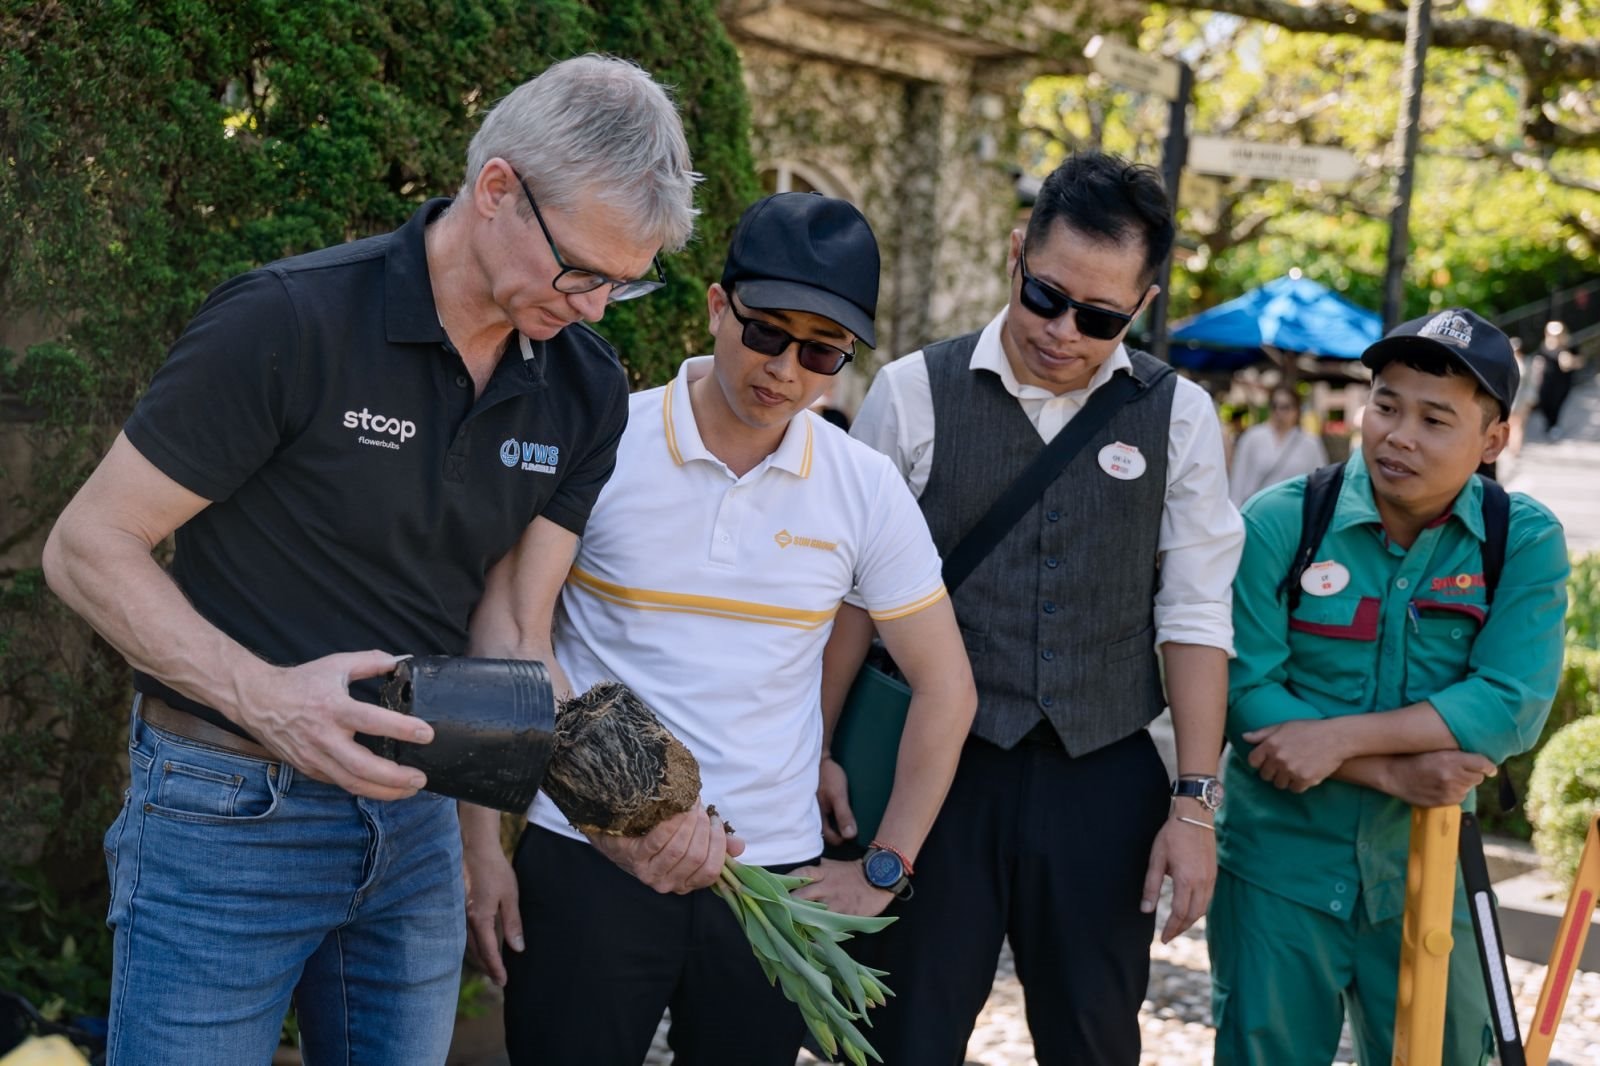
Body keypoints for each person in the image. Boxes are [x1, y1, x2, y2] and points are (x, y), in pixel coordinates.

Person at [40, 55, 703, 1064]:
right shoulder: (290, 319)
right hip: (226, 803)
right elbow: (88, 545)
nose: (597, 306)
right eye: (581, 271)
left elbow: (514, 631)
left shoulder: (585, 388)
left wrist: (629, 811)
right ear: (495, 192)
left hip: (418, 825)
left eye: (625, 279)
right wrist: (266, 697)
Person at [461, 192, 978, 1065]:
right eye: (767, 332)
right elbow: (510, 634)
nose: (786, 368)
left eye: (822, 351)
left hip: (768, 877)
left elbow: (947, 687)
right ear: (715, 305)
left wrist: (886, 865)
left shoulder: (864, 485)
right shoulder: (605, 439)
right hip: (588, 853)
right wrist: (481, 848)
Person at [828, 150, 1244, 1064]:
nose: (1064, 331)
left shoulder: (1177, 417)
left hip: (1102, 773)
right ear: (1017, 253)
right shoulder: (911, 393)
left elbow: (1196, 616)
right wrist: (815, 754)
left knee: (1094, 1039)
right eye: (1046, 296)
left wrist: (1194, 807)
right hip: (934, 773)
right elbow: (849, 602)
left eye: (1100, 317)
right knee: (900, 1033)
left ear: (1144, 304)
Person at [1210, 308, 1569, 1065]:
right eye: (1386, 405)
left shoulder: (1521, 539)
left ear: (1494, 438)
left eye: (1436, 419)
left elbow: (1510, 701)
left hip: (1431, 866)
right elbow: (1243, 690)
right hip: (1281, 864)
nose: (1398, 435)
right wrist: (1400, 772)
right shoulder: (1283, 522)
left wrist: (1337, 738)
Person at [1228, 385, 1329, 506]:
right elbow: (1238, 480)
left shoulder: (1310, 443)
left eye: (1285, 407)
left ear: (1297, 410)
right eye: (1274, 406)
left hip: (1294, 514)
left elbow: (1320, 484)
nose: (1279, 412)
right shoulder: (1252, 437)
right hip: (1257, 512)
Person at [1534, 319, 1585, 438]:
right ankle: (1549, 424)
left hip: (1563, 382)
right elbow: (1539, 359)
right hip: (1546, 380)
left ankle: (1553, 426)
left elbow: (1581, 362)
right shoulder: (1545, 345)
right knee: (1544, 403)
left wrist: (1571, 361)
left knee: (1556, 404)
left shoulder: (1570, 345)